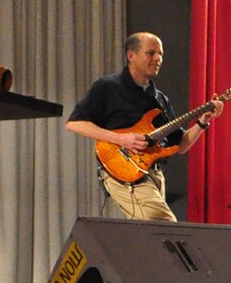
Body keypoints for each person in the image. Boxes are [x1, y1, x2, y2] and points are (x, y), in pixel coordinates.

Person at [65, 33, 221, 221]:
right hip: (124, 171)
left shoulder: (160, 99)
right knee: (165, 229)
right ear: (131, 55)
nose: (158, 59)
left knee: (148, 239)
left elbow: (181, 145)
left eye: (160, 54)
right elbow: (74, 123)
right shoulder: (108, 87)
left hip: (154, 175)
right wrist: (121, 139)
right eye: (151, 53)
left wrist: (203, 121)